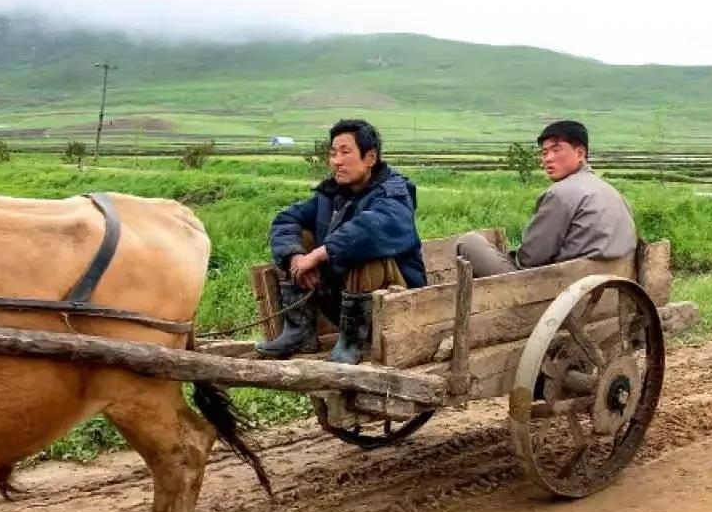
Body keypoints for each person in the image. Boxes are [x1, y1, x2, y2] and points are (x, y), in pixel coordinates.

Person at [255, 119, 426, 365]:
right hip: (339, 299)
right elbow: (285, 219)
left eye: (345, 152)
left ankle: (351, 344)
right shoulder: (332, 194)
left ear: (370, 157)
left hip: (395, 305)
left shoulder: (395, 192)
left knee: (362, 248)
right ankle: (299, 332)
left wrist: (317, 256)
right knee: (300, 236)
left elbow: (371, 227)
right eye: (333, 153)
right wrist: (296, 256)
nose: (336, 161)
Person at [458, 120, 637, 277]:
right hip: (612, 286)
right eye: (544, 153)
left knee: (468, 242)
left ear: (580, 153)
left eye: (556, 150)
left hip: (558, 290)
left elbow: (530, 259)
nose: (548, 159)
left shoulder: (561, 194)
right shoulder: (614, 193)